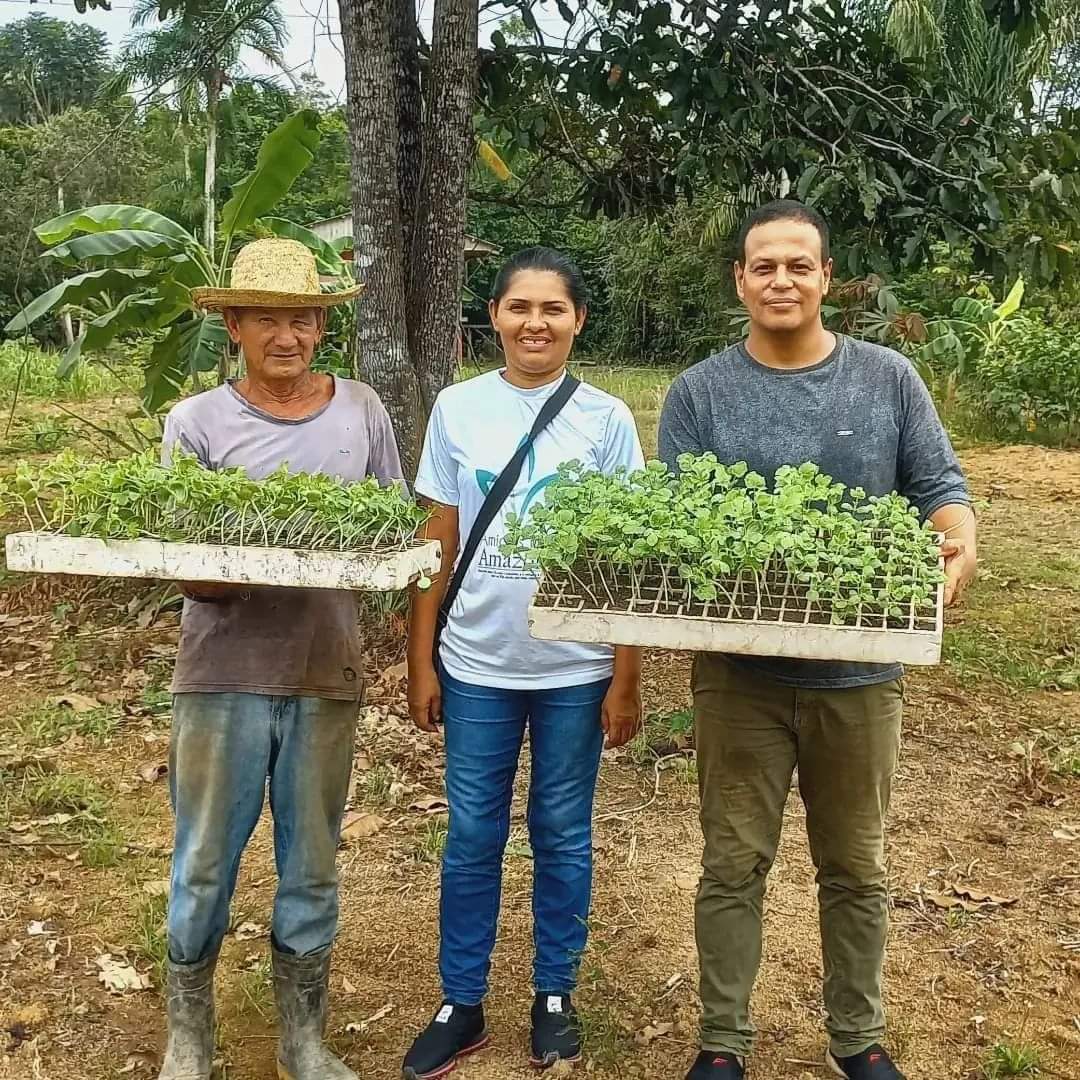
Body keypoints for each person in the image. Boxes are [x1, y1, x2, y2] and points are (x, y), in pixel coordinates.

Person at [658, 202, 978, 1080]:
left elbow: (940, 486)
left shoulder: (888, 379)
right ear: (740, 280)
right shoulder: (698, 393)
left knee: (856, 866)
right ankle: (721, 1045)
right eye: (765, 266)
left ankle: (858, 1039)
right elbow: (683, 524)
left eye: (800, 265)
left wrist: (957, 545)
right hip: (738, 678)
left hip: (861, 673)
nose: (782, 281)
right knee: (731, 864)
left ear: (827, 277)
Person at [158, 238, 405, 1080]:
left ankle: (303, 1039)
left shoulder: (362, 409)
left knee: (312, 862)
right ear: (234, 326)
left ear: (320, 326)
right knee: (202, 860)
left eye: (302, 318)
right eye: (266, 318)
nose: (287, 336)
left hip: (324, 671)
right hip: (221, 674)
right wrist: (253, 559)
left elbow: (390, 529)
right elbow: (184, 564)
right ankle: (189, 1038)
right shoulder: (194, 422)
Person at [402, 248, 646, 1078]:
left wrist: (626, 673)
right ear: (494, 317)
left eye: (553, 309)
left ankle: (553, 994)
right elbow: (438, 537)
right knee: (472, 834)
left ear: (578, 320)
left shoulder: (607, 419)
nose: (535, 323)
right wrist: (421, 658)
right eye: (518, 308)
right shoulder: (455, 408)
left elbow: (628, 553)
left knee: (562, 833)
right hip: (475, 662)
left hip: (575, 668)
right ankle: (460, 1001)